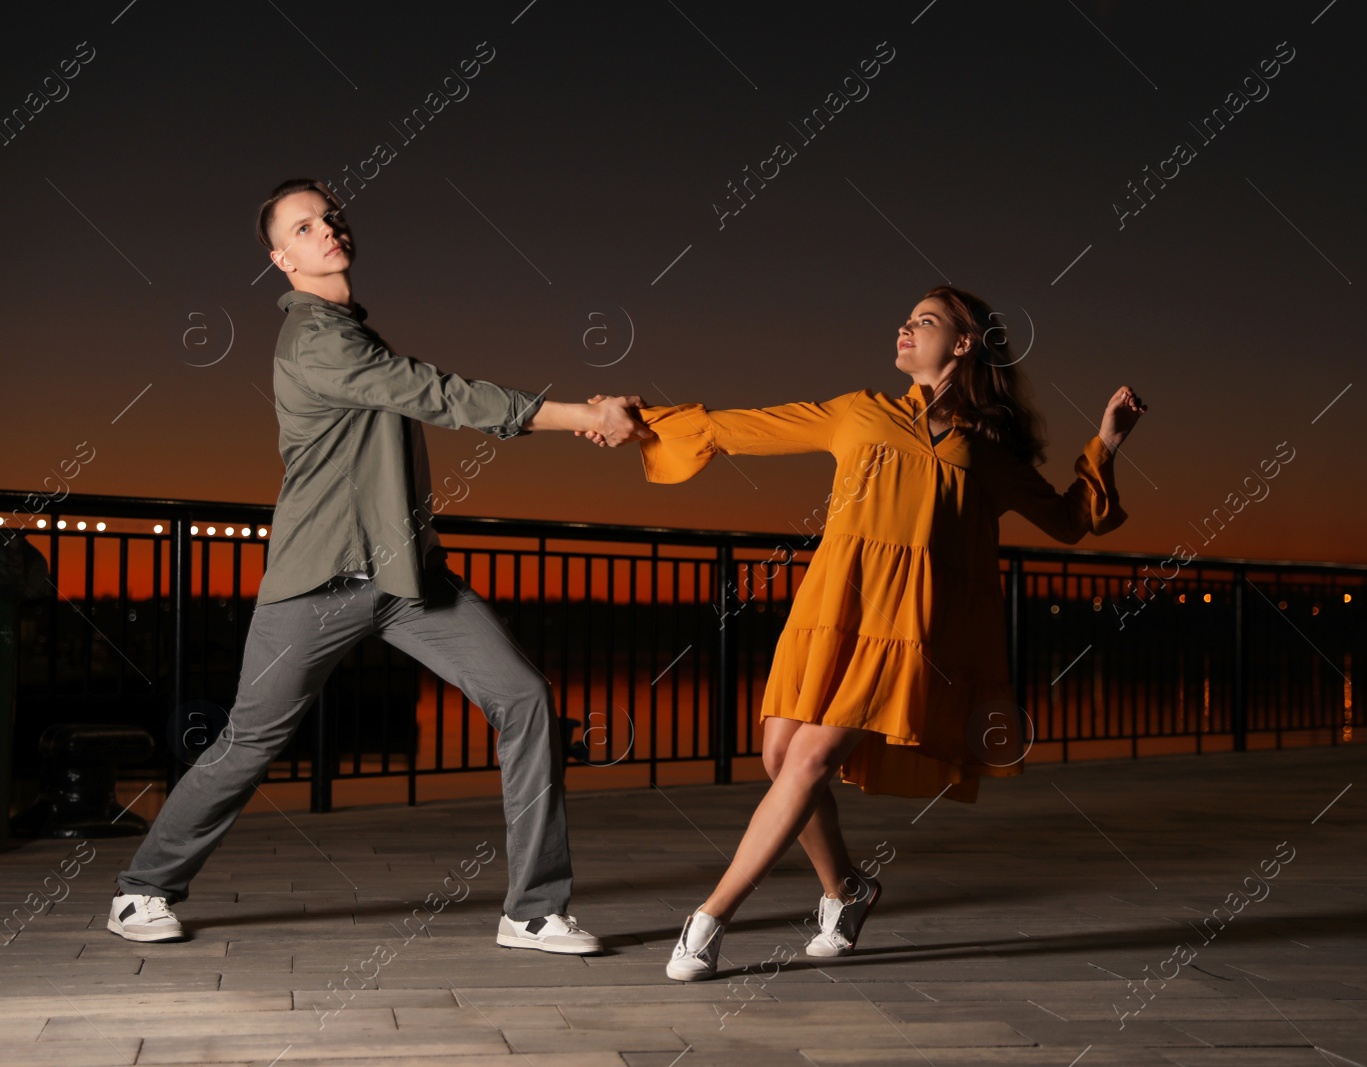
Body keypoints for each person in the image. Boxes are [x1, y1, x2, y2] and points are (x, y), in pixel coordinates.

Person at [108, 178, 651, 952]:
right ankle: (141, 891)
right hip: (319, 582)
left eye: (329, 217)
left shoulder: (349, 331)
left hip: (407, 582)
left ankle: (531, 908)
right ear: (280, 258)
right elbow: (438, 393)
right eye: (304, 226)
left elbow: (420, 399)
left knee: (525, 698)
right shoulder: (315, 337)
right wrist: (581, 416)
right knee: (252, 742)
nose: (326, 229)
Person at [593, 286, 1144, 981]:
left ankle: (709, 919)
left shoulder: (987, 451)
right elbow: (743, 427)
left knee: (812, 758)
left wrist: (1107, 443)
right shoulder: (861, 412)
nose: (904, 328)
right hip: (833, 609)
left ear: (965, 343)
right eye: (908, 320)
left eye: (925, 321)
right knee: (780, 754)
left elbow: (1069, 521)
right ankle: (848, 890)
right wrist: (642, 422)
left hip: (909, 628)